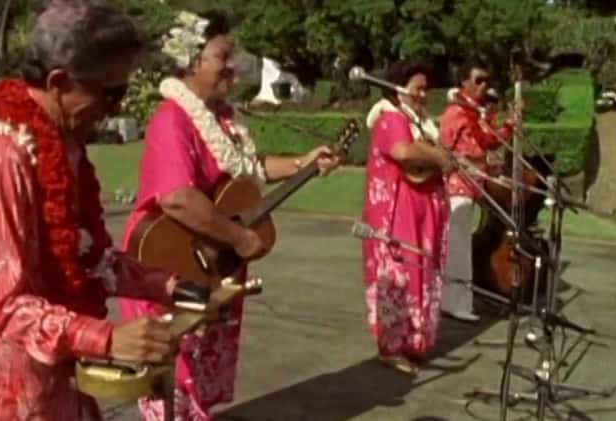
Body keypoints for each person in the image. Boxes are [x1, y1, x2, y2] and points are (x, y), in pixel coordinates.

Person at [0, 2, 185, 420]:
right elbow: (4, 306)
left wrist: (174, 287)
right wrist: (109, 339)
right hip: (7, 400)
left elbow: (90, 259)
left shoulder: (66, 149)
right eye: (109, 93)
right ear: (59, 81)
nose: (116, 109)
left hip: (65, 390)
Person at [118, 10, 340, 420]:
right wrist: (239, 239)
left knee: (199, 369)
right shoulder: (173, 119)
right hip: (170, 260)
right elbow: (177, 198)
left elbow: (245, 170)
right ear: (192, 61)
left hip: (209, 259)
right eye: (223, 56)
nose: (232, 66)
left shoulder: (223, 121)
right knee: (174, 372)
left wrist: (301, 164)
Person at [362, 59, 453, 375]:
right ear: (399, 88)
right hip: (396, 211)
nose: (423, 95)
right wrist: (439, 157)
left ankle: (414, 341)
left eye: (426, 89)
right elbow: (402, 151)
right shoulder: (392, 117)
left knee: (420, 273)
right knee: (400, 274)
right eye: (418, 88)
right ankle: (391, 346)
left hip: (420, 209)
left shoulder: (418, 120)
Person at [439, 58, 517, 322]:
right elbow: (455, 148)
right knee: (457, 248)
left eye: (487, 81)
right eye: (478, 80)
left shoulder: (473, 112)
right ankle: (456, 303)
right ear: (463, 83)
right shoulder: (456, 114)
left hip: (471, 187)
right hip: (455, 188)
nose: (484, 86)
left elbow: (487, 142)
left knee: (459, 246)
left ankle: (456, 300)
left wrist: (507, 126)